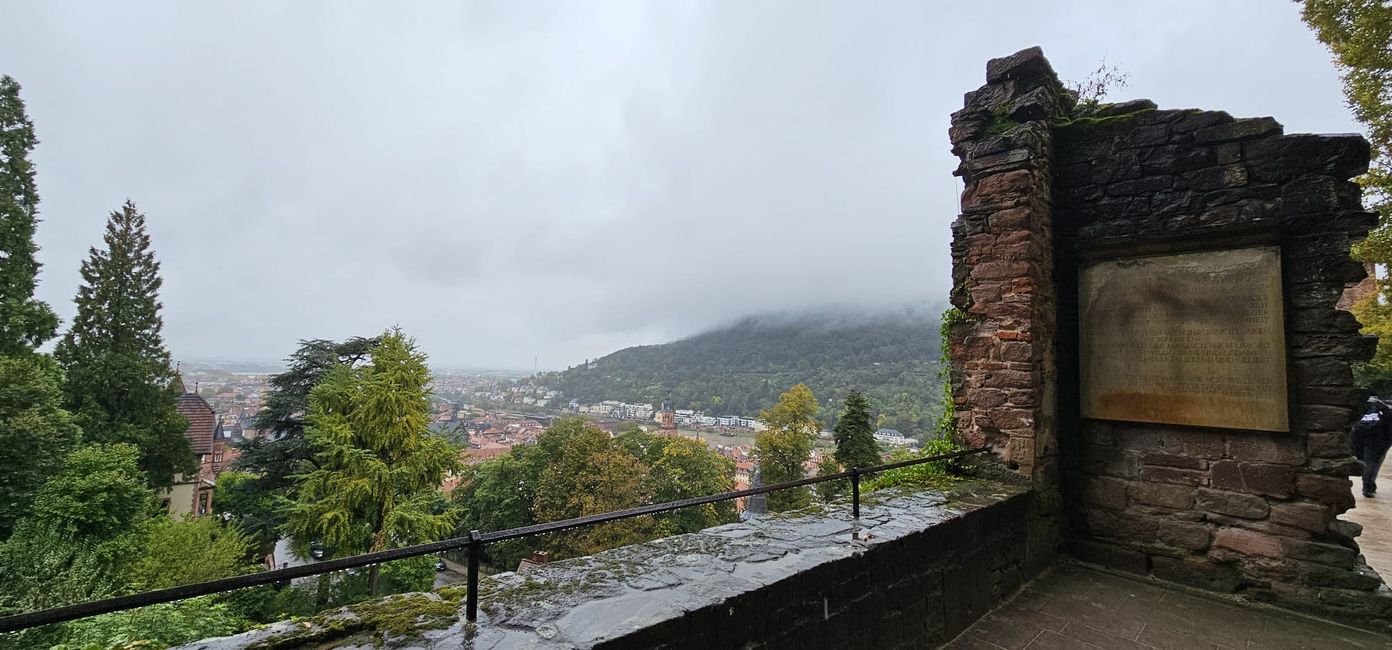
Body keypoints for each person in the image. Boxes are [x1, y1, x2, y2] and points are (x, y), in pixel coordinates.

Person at [1350, 397, 1392, 498]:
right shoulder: (1383, 408)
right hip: (1377, 438)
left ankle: (1368, 484)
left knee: (1368, 462)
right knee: (1372, 463)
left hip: (1363, 437)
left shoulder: (1362, 407)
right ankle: (1368, 485)